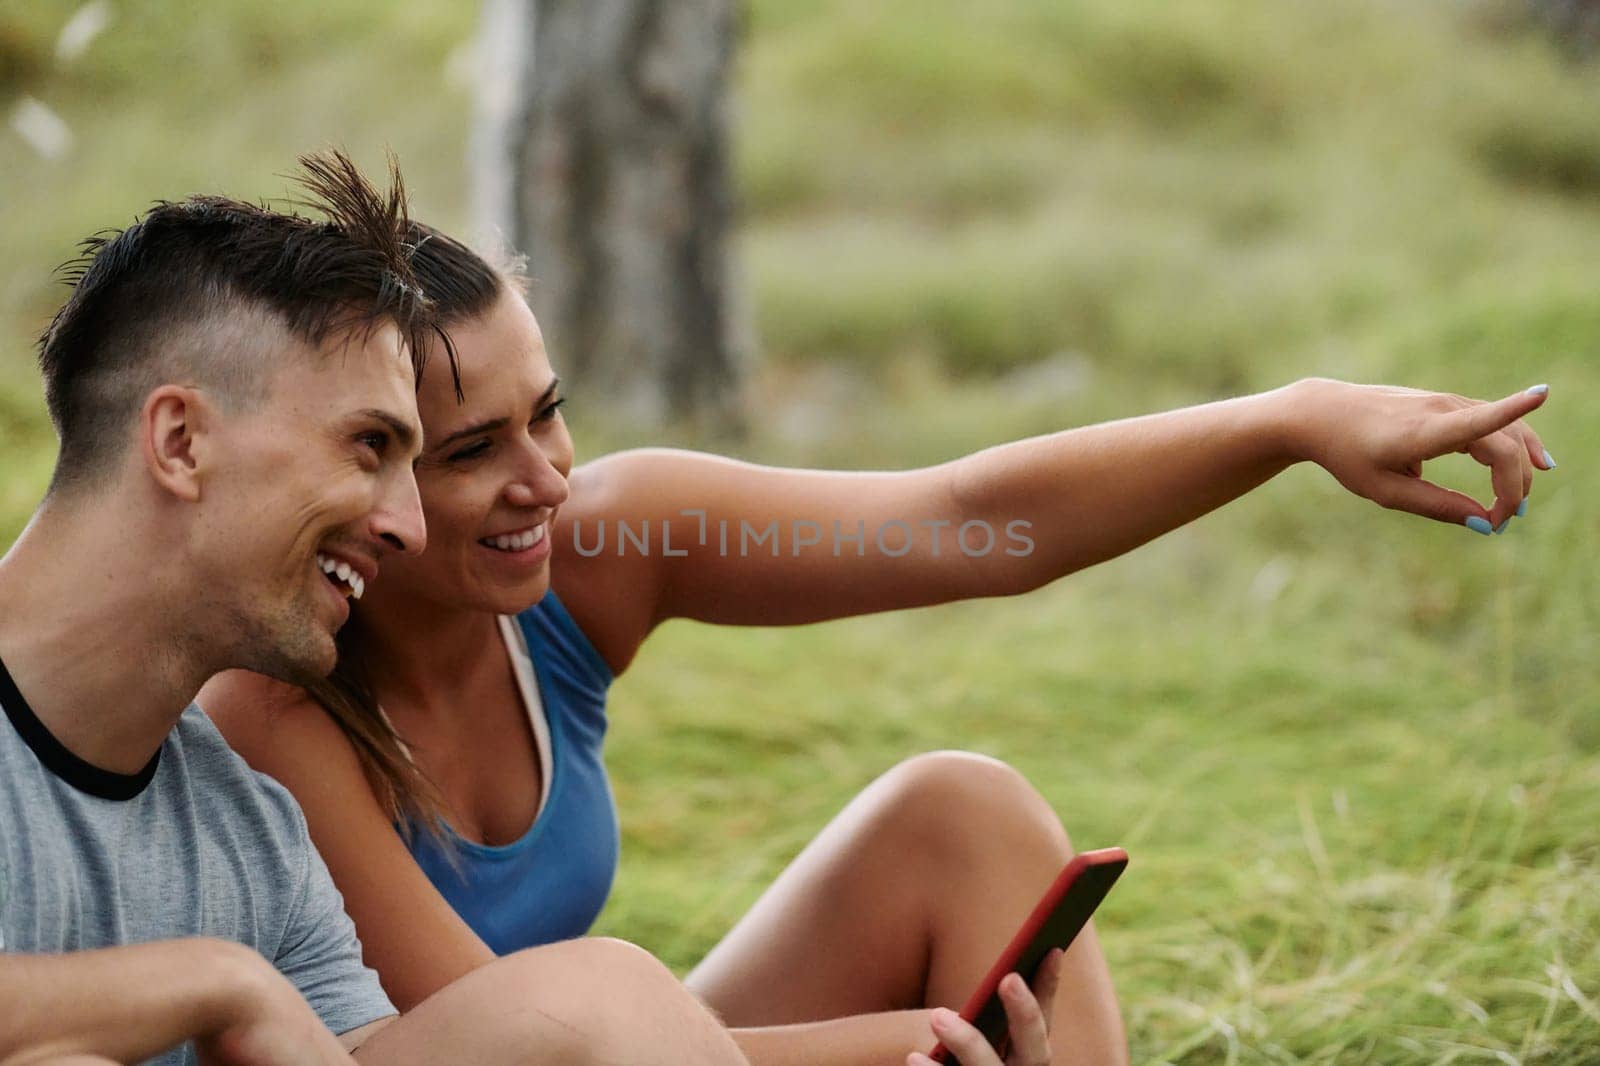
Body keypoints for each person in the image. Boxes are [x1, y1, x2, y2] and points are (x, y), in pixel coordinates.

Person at [202, 226, 1554, 1066]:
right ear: (361, 472)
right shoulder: (277, 706)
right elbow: (544, 1046)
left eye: (547, 414)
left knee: (962, 815)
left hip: (641, 1047)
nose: (547, 477)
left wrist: (1292, 422)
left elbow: (973, 524)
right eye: (473, 451)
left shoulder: (603, 548)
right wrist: (914, 1038)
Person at [0, 153, 768, 1066]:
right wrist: (222, 985)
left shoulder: (252, 836)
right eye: (368, 446)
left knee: (601, 998)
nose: (405, 525)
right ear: (181, 442)